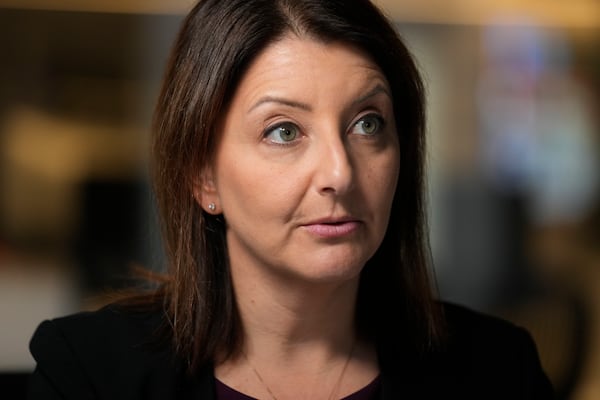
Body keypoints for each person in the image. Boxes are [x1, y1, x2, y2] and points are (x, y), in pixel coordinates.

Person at [27, 0, 554, 399]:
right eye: (284, 131)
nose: (339, 172)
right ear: (202, 175)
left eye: (367, 124)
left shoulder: (498, 369)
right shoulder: (89, 373)